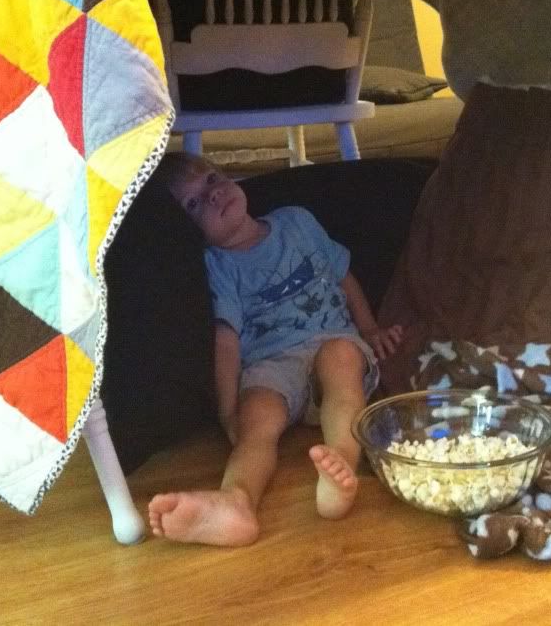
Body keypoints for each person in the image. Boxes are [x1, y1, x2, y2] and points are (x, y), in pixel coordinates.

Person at [147, 152, 403, 546]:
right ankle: (236, 501)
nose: (213, 195)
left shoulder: (296, 222)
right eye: (194, 202)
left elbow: (343, 275)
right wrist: (228, 412)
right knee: (256, 420)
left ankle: (341, 466)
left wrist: (369, 329)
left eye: (212, 179)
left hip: (331, 340)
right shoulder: (216, 265)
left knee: (340, 360)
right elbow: (226, 342)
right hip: (271, 363)